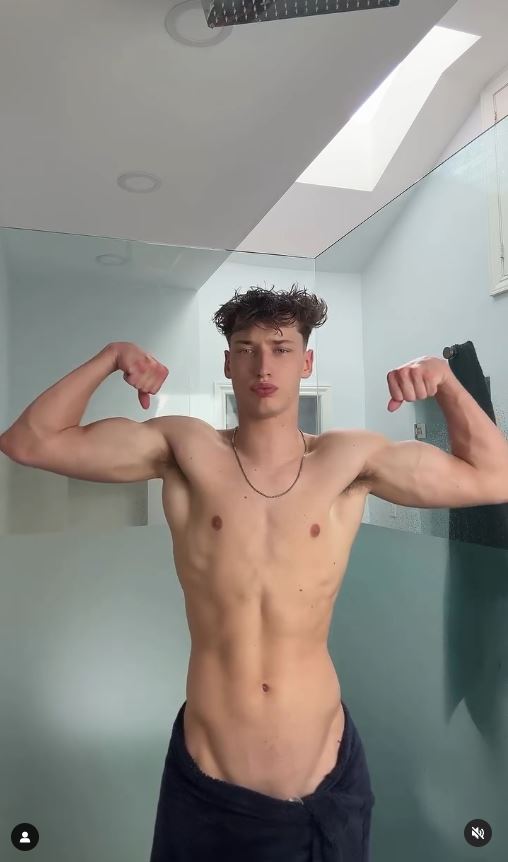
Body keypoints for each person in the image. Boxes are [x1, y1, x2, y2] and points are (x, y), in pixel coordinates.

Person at [1, 285, 507, 862]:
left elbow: (495, 477)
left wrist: (446, 381)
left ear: (306, 363)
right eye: (246, 349)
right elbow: (28, 441)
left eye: (281, 348)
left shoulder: (349, 461)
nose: (263, 366)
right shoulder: (184, 450)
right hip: (209, 789)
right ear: (228, 363)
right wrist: (110, 356)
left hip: (325, 787)